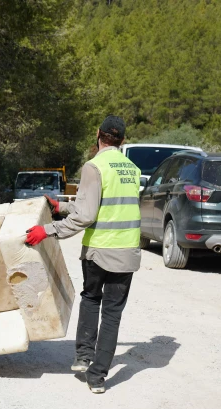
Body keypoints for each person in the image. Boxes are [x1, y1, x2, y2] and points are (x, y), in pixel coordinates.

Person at [25, 116, 141, 394]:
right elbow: (103, 204)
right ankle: (98, 378)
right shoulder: (132, 169)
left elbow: (87, 215)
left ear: (98, 135)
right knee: (113, 314)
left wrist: (49, 230)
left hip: (100, 251)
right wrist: (62, 206)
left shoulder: (94, 166)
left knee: (91, 299)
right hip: (127, 252)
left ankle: (83, 356)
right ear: (122, 140)